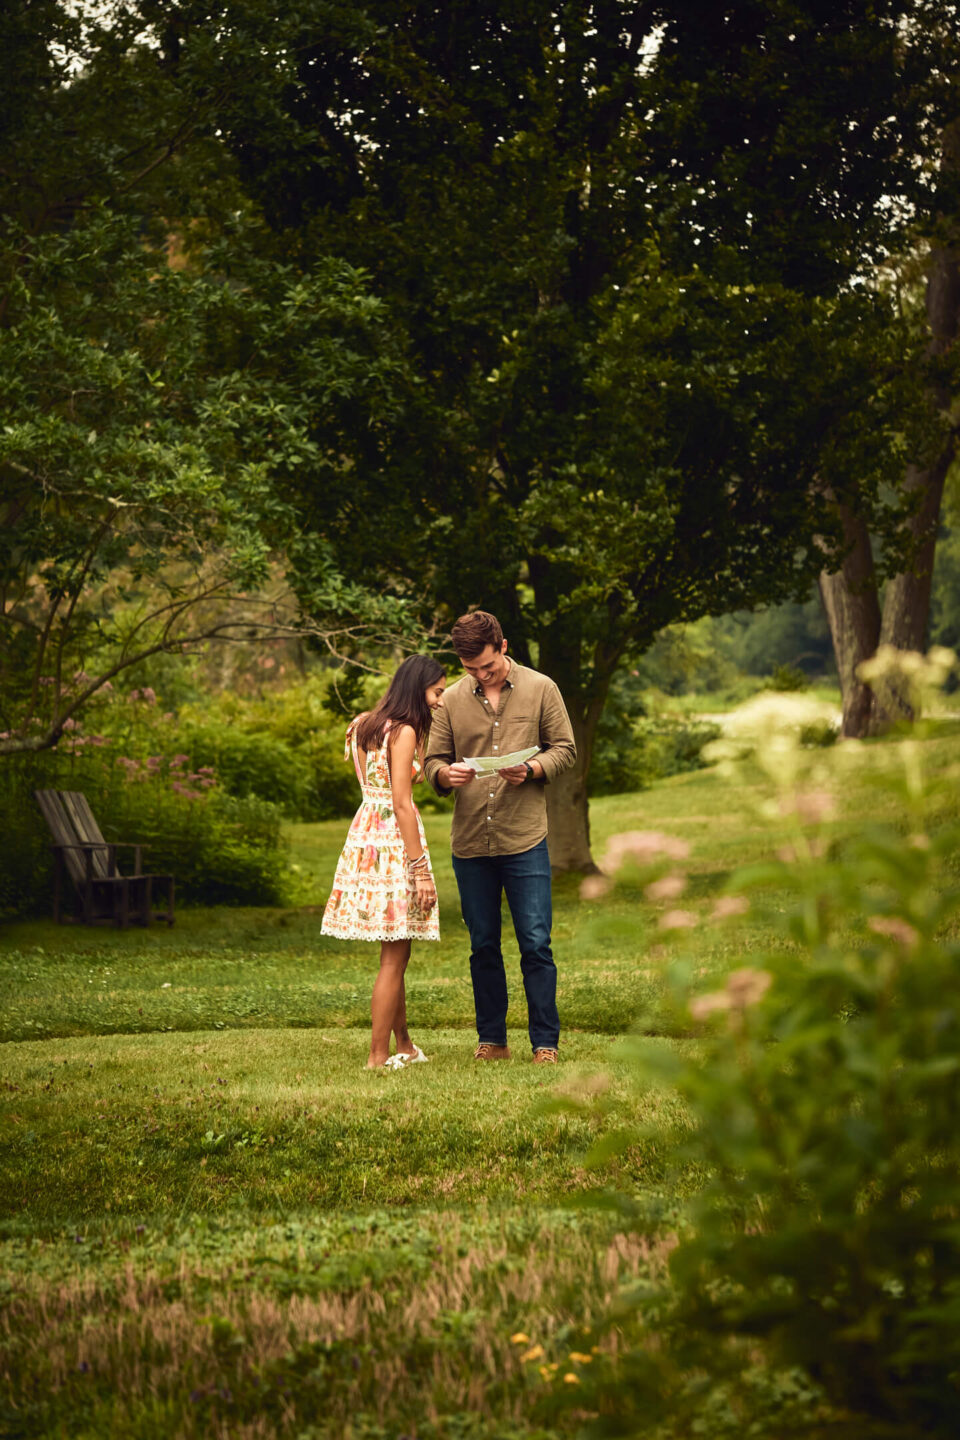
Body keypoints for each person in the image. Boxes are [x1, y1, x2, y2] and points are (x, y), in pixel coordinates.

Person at [424, 611, 576, 1064]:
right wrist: (444, 775)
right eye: (471, 669)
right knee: (483, 945)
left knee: (535, 942)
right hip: (471, 843)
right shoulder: (449, 700)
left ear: (503, 646)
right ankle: (492, 1041)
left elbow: (565, 749)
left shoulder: (542, 688)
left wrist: (530, 769)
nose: (480, 675)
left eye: (487, 666)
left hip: (525, 837)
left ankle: (545, 1045)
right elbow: (432, 761)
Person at [322, 655, 446, 1069]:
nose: (439, 701)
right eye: (436, 693)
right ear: (418, 690)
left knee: (395, 952)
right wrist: (420, 869)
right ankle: (377, 1056)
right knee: (394, 957)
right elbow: (401, 803)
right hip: (394, 841)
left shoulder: (362, 724)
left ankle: (405, 1044)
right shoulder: (405, 730)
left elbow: (373, 784)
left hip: (365, 837)